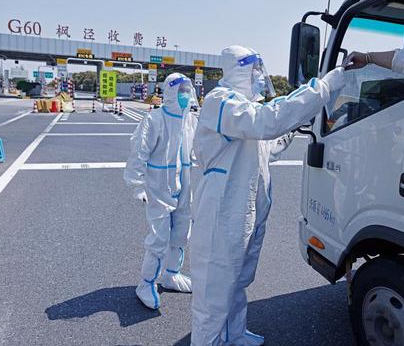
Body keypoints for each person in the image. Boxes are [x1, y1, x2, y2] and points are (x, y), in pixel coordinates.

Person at [190, 45, 345, 345]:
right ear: (239, 70)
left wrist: (295, 126)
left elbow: (268, 143)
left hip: (244, 212)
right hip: (222, 214)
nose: (260, 76)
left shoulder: (246, 110)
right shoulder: (220, 102)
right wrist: (322, 88)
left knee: (237, 281)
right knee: (214, 291)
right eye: (255, 69)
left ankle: (234, 334)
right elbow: (265, 122)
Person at [124, 73, 198, 309]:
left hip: (184, 186)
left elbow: (199, 150)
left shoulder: (190, 121)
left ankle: (171, 274)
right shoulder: (154, 119)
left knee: (181, 232)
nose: (185, 95)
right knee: (159, 238)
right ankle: (146, 283)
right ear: (169, 92)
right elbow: (139, 153)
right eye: (181, 90)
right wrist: (137, 185)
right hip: (158, 188)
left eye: (188, 90)